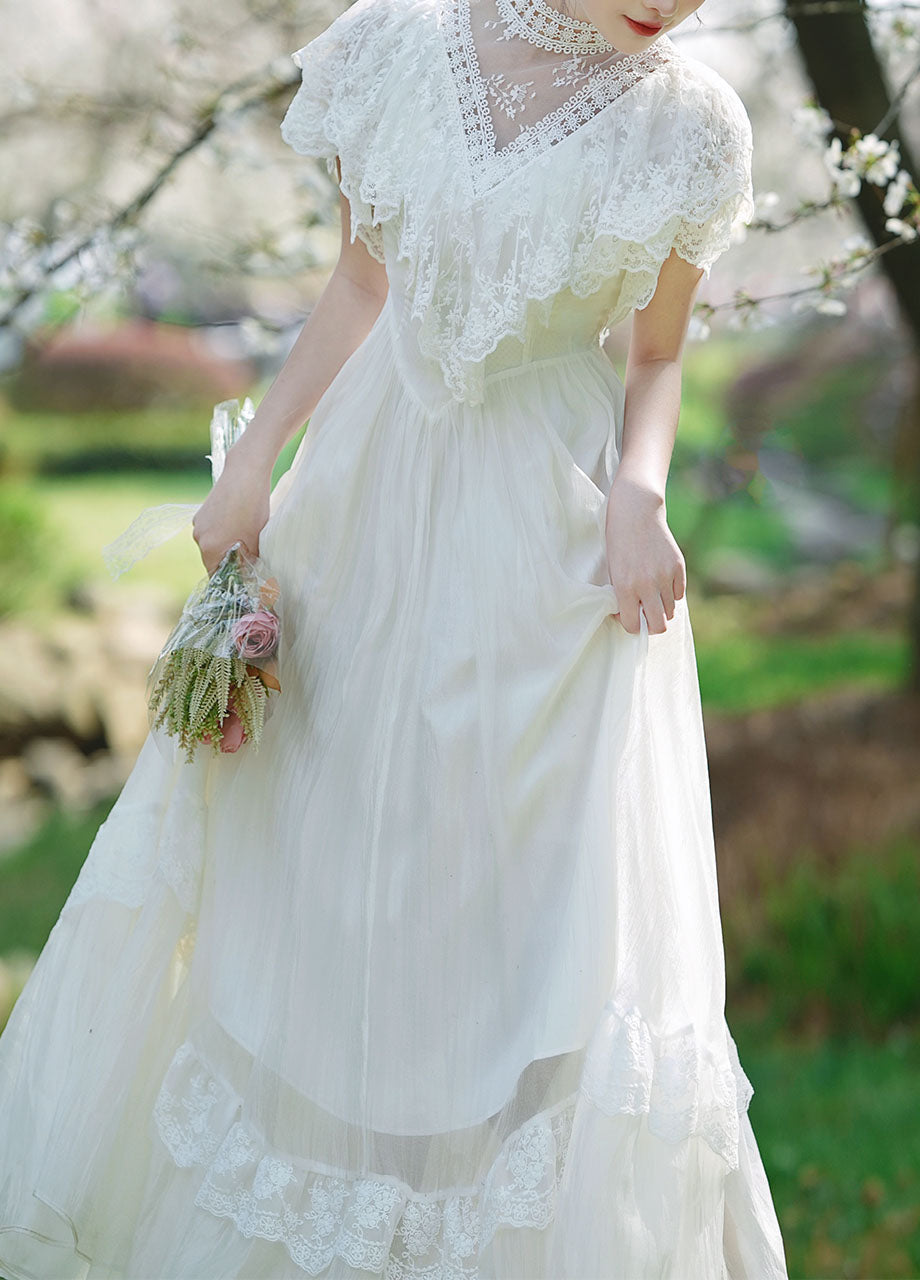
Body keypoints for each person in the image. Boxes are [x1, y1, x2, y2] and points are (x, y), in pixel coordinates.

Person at [0, 0, 790, 1274]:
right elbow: (362, 281)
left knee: (528, 908)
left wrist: (638, 500)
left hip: (551, 546)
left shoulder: (690, 122)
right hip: (366, 505)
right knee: (317, 864)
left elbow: (653, 355)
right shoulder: (401, 43)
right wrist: (255, 454)